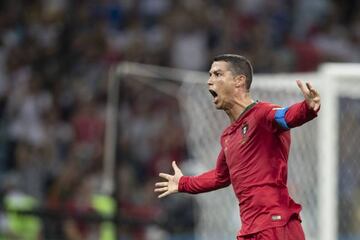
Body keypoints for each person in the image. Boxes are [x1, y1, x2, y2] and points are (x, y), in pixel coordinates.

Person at [154, 54, 320, 240]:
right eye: (210, 75)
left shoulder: (262, 114)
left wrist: (307, 108)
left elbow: (287, 116)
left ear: (239, 81)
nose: (210, 81)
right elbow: (220, 176)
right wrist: (184, 183)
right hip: (250, 230)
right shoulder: (228, 136)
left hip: (276, 225)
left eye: (217, 74)